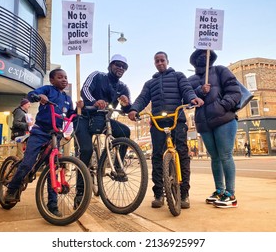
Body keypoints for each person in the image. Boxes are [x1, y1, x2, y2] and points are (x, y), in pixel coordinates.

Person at [128, 51, 204, 209]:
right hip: (157, 122)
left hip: (177, 119)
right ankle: (158, 193)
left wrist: (192, 98)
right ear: (154, 63)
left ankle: (184, 194)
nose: (160, 63)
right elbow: (142, 98)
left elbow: (187, 90)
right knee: (157, 157)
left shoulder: (178, 76)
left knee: (182, 154)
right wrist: (134, 109)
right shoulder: (150, 83)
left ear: (167, 61)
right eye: (157, 61)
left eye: (162, 60)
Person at [5, 68, 77, 217]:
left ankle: (52, 204)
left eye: (66, 77)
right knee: (27, 163)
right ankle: (11, 189)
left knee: (53, 169)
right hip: (39, 132)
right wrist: (39, 96)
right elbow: (31, 95)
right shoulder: (48, 90)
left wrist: (78, 109)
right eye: (59, 77)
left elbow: (71, 115)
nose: (64, 79)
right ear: (52, 80)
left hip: (55, 135)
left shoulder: (67, 98)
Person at [74, 54, 132, 208]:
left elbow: (127, 109)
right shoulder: (97, 75)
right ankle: (80, 193)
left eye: (124, 66)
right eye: (117, 64)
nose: (120, 68)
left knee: (125, 132)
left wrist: (126, 105)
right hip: (85, 117)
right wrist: (94, 101)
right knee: (85, 151)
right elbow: (84, 90)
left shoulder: (123, 87)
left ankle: (118, 166)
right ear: (110, 65)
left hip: (104, 119)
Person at [188, 49, 241, 208]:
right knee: (215, 158)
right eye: (199, 56)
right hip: (204, 124)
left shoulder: (220, 70)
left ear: (210, 57)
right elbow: (188, 100)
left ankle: (231, 195)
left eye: (206, 55)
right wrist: (200, 92)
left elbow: (235, 92)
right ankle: (219, 190)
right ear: (194, 60)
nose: (203, 58)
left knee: (225, 156)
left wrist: (221, 106)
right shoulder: (191, 79)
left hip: (224, 120)